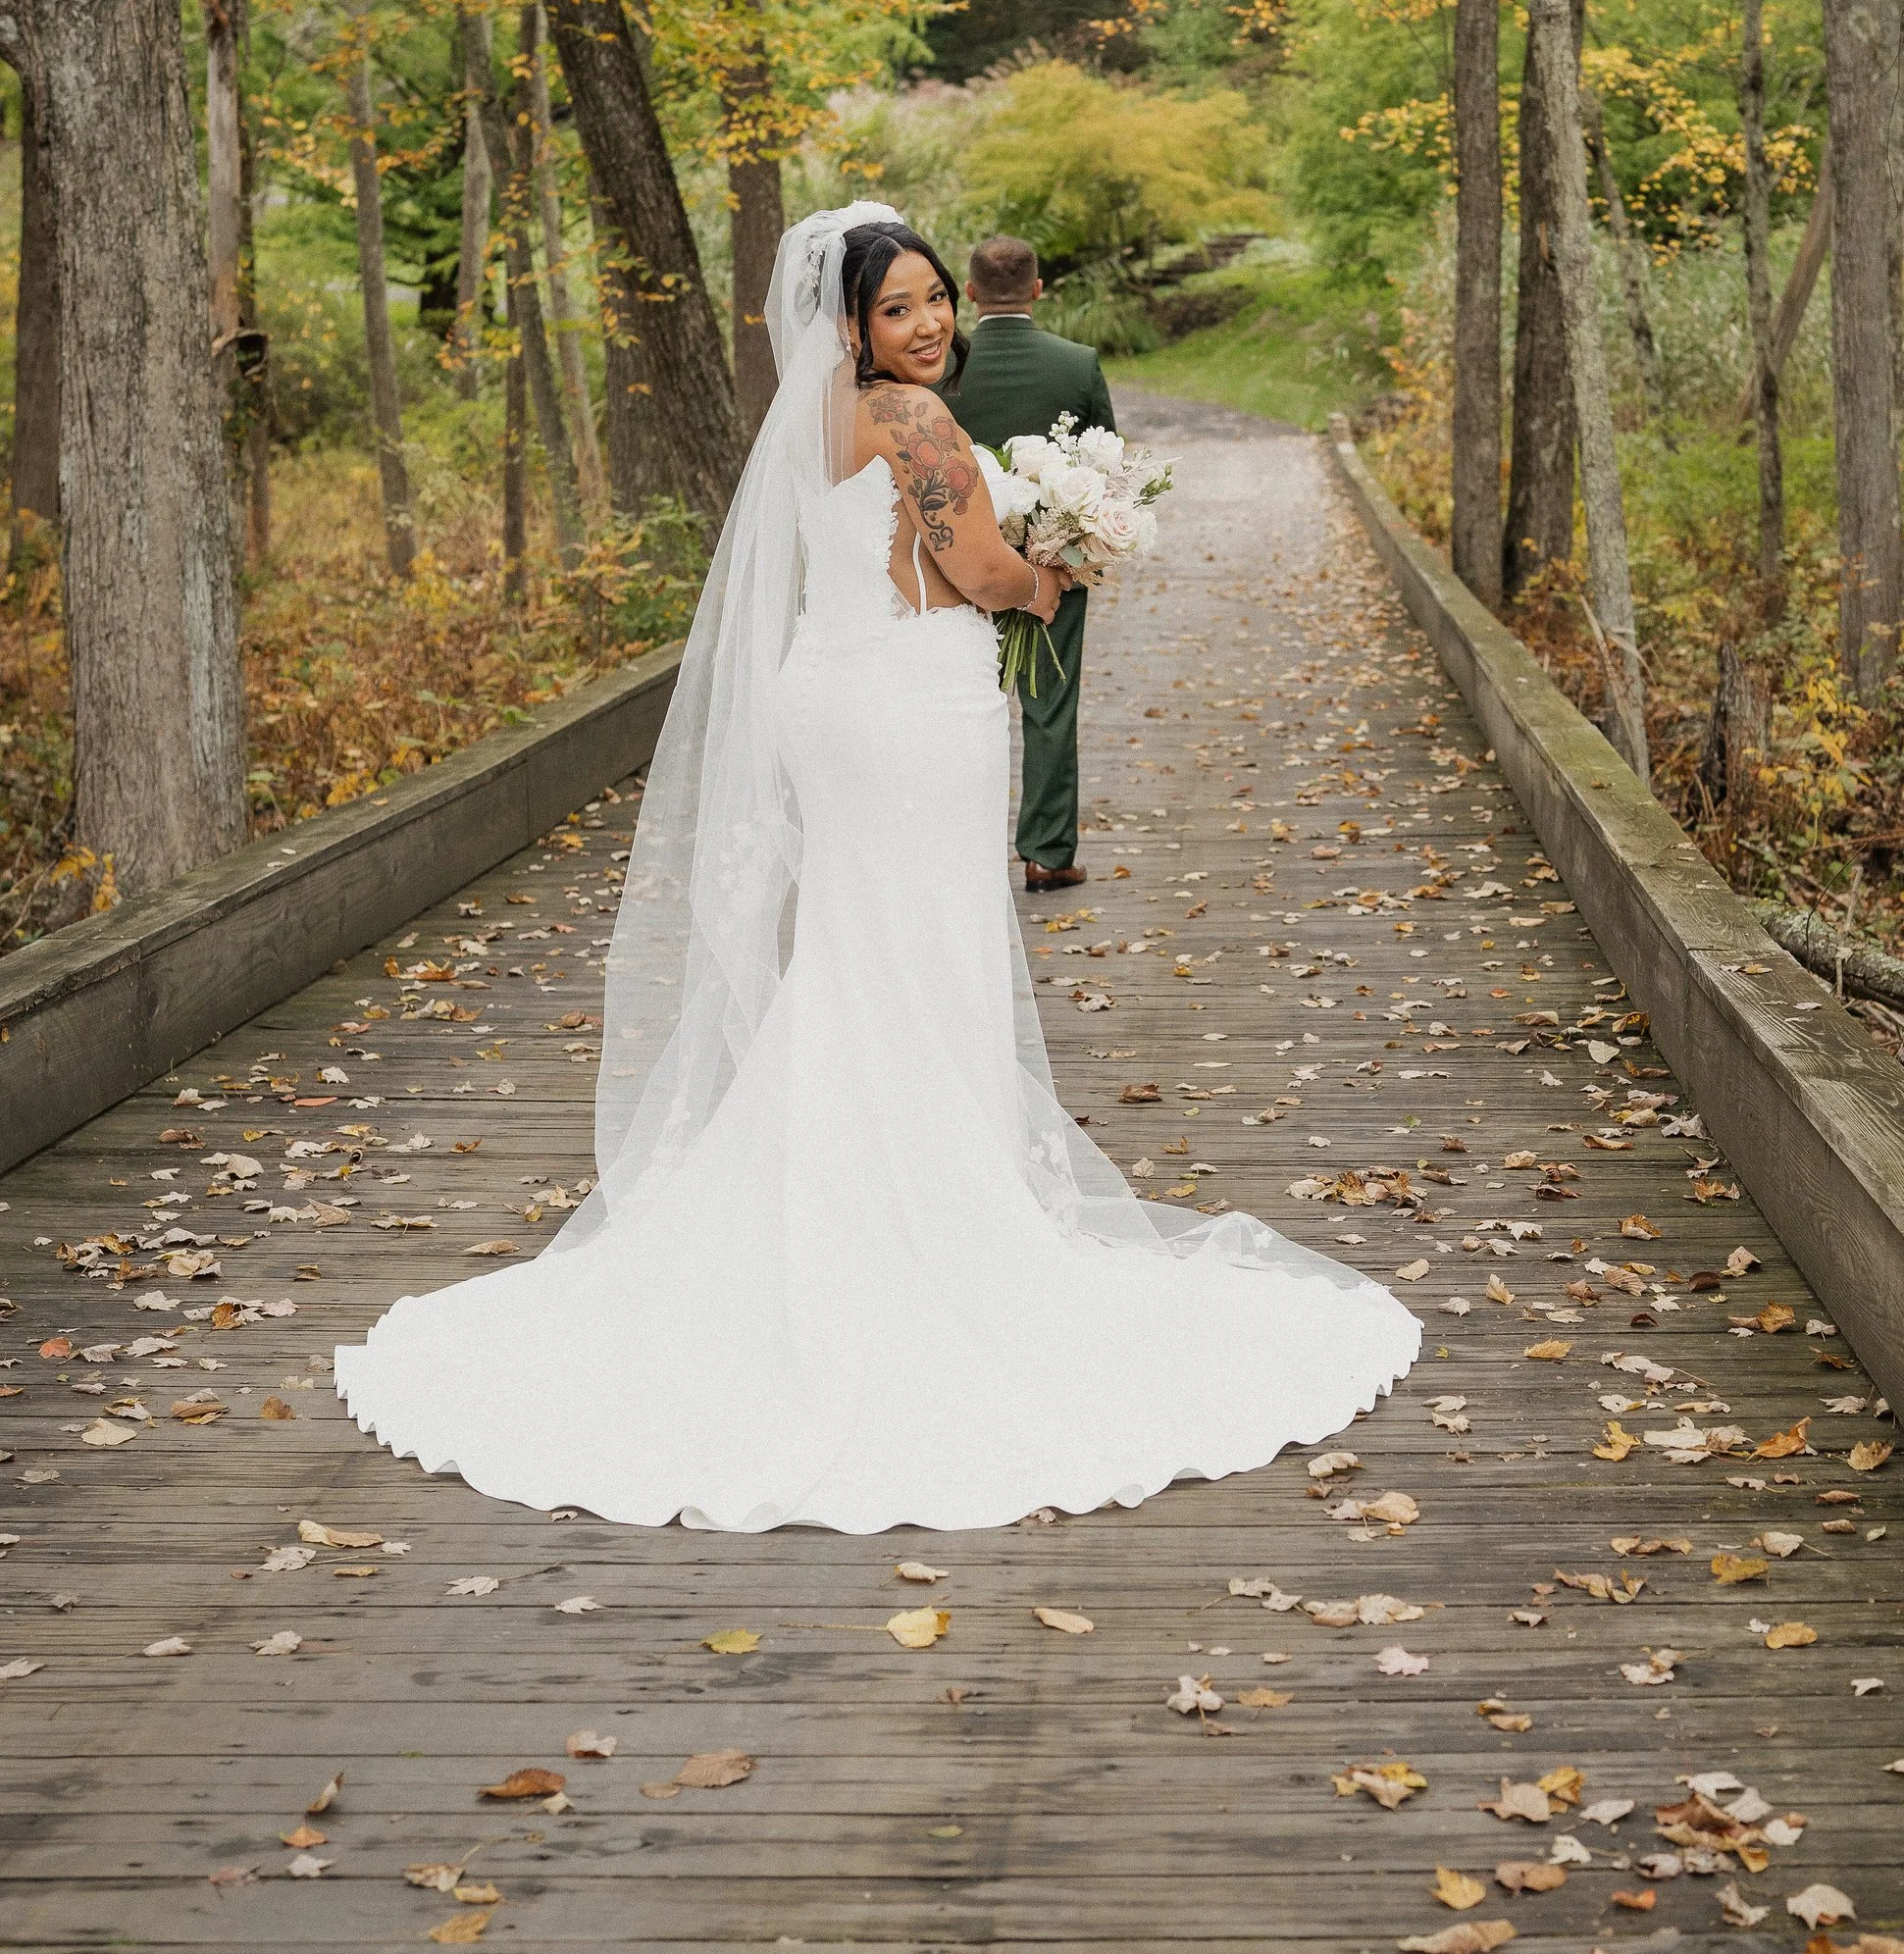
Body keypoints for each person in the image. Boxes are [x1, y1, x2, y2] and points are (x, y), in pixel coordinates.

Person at [334, 203, 1418, 1534]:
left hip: (832, 696)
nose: (929, 322)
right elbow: (968, 564)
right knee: (927, 947)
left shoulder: (812, 417)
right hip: (912, 707)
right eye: (899, 306)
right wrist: (1054, 574)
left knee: (862, 948)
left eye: (936, 297)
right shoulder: (913, 422)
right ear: (849, 321)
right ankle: (930, 1224)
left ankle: (834, 1197)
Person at [941, 233, 1111, 894]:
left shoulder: (940, 367)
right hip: (1052, 567)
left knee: (958, 701)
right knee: (1050, 705)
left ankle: (960, 853)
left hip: (954, 566)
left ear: (971, 291)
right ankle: (1046, 852)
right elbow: (1106, 465)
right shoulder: (1077, 363)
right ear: (1038, 290)